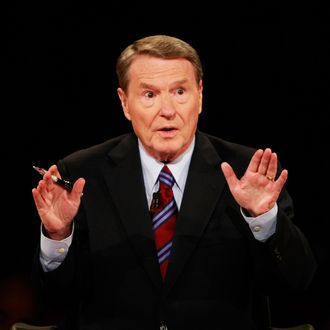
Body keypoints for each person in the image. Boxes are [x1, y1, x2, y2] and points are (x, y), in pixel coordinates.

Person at [31, 35, 316, 330]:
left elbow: (296, 283)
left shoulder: (249, 171)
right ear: (125, 103)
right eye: (150, 95)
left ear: (200, 96)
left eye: (180, 91)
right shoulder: (81, 174)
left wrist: (264, 218)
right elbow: (56, 297)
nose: (168, 110)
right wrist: (58, 235)